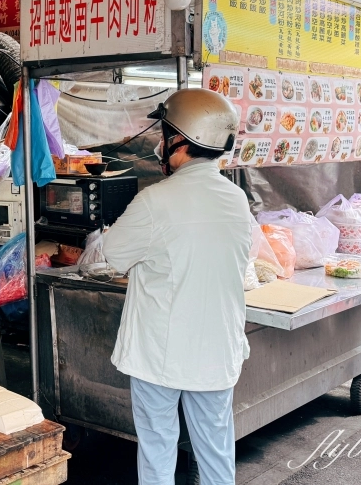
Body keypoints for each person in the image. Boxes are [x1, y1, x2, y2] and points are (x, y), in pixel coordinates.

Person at [102, 88, 248, 485]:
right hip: (216, 352)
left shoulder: (155, 200)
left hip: (158, 357)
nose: (160, 145)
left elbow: (111, 255)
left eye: (164, 136)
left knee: (157, 452)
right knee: (216, 455)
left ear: (180, 141)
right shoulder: (237, 200)